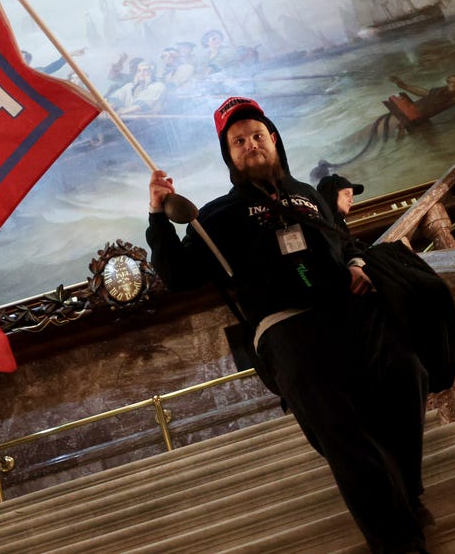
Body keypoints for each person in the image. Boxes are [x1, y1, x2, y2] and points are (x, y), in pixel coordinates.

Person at [146, 97, 433, 553]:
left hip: (351, 311)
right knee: (341, 429)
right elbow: (179, 275)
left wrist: (357, 261)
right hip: (288, 329)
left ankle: (406, 488)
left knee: (407, 374)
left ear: (274, 140)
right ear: (230, 156)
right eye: (238, 141)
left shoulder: (310, 195)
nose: (250, 144)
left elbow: (345, 243)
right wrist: (158, 216)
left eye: (257, 135)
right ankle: (398, 541)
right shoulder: (217, 215)